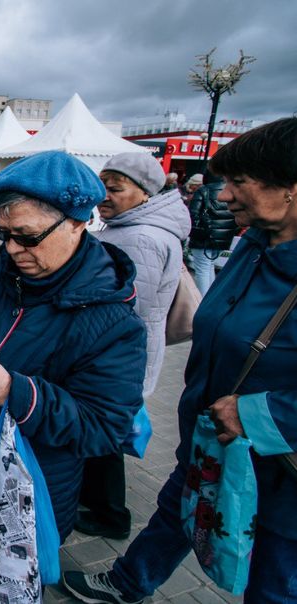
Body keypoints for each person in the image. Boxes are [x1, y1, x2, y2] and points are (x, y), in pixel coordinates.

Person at [62, 117, 297, 604]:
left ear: (290, 188)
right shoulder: (254, 246)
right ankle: (130, 583)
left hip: (279, 470)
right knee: (178, 508)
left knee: (276, 575)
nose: (224, 196)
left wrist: (256, 413)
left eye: (238, 182)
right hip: (211, 434)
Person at [0, 150, 147, 542]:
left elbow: (103, 428)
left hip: (26, 498)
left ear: (78, 223)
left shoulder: (114, 323)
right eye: (4, 235)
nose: (15, 250)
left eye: (29, 237)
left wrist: (11, 391)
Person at [74, 152, 191, 541]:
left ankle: (110, 514)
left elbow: (128, 311)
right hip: (120, 353)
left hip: (119, 356)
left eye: (115, 187)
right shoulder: (128, 227)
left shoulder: (141, 236)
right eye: (102, 185)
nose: (104, 195)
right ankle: (97, 502)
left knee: (104, 431)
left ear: (144, 192)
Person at [187, 172, 234, 295]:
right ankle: (208, 298)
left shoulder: (204, 190)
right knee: (209, 266)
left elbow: (193, 214)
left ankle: (202, 300)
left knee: (202, 269)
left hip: (203, 237)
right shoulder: (230, 191)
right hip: (223, 237)